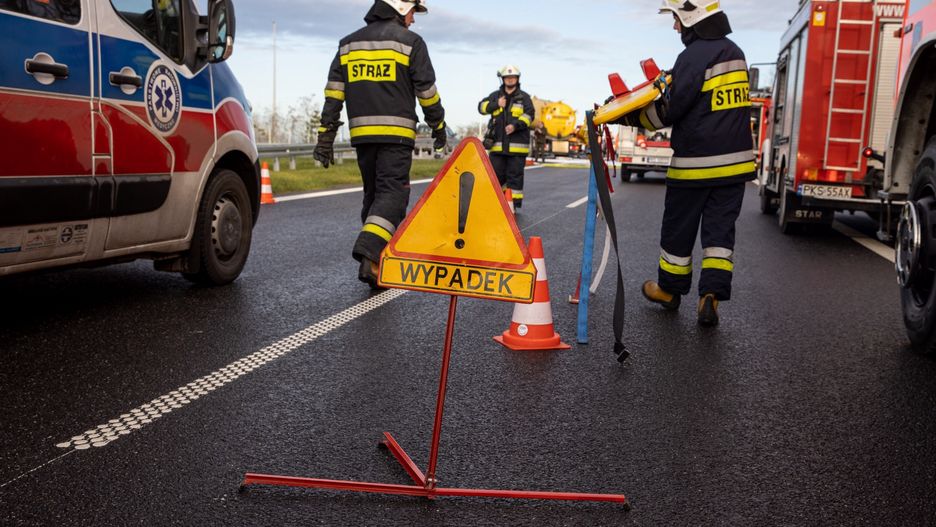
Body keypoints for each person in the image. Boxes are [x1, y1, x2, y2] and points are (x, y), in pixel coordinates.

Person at [615, 0, 754, 327]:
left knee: (679, 229)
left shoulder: (692, 56)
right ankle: (711, 296)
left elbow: (670, 109)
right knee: (720, 234)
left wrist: (631, 116)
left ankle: (670, 290)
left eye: (677, 19)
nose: (676, 27)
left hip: (695, 164)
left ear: (693, 16)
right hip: (735, 166)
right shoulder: (736, 53)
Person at [314, 0, 446, 289]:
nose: (413, 20)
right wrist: (438, 125)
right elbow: (427, 92)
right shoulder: (411, 42)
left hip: (362, 136)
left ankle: (376, 263)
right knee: (393, 196)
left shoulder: (348, 44)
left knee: (373, 196)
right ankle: (369, 251)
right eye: (413, 12)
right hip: (396, 136)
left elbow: (333, 95)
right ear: (400, 8)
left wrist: (325, 136)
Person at [478, 66, 535, 209]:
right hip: (497, 148)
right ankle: (493, 205)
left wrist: (516, 125)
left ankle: (512, 206)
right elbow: (481, 108)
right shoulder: (495, 96)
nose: (510, 79)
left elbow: (529, 115)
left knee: (514, 178)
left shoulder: (524, 98)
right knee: (494, 178)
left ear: (517, 79)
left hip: (517, 149)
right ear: (503, 79)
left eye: (513, 77)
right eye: (507, 77)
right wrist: (496, 104)